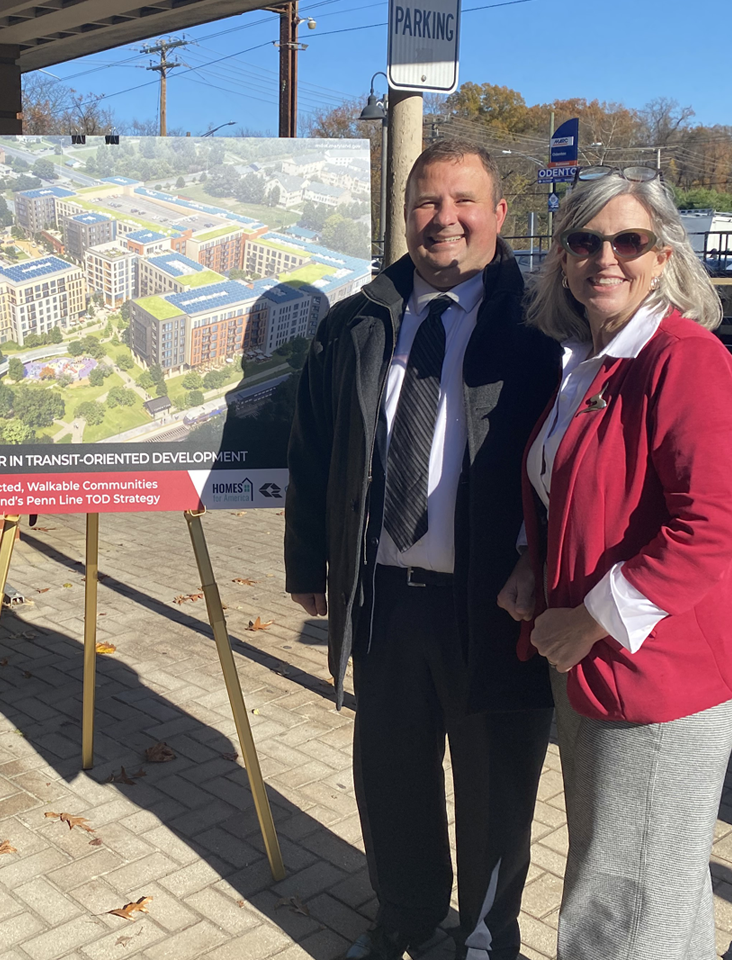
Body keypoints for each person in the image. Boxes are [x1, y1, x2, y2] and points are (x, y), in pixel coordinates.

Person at [283, 140, 560, 960]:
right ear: (405, 216)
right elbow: (315, 449)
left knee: (494, 788)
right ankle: (403, 913)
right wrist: (308, 563)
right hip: (387, 598)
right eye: (425, 204)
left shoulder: (544, 330)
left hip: (496, 603)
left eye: (462, 202)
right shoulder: (358, 322)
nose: (443, 221)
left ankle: (484, 935)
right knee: (393, 779)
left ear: (500, 214)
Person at [500, 166, 731, 960]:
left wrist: (591, 617)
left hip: (655, 683)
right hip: (592, 668)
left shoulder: (684, 358)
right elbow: (574, 493)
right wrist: (534, 561)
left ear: (664, 255)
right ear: (562, 258)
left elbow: (712, 525)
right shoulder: (585, 362)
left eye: (629, 240)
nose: (606, 257)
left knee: (619, 915)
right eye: (585, 241)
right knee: (651, 896)